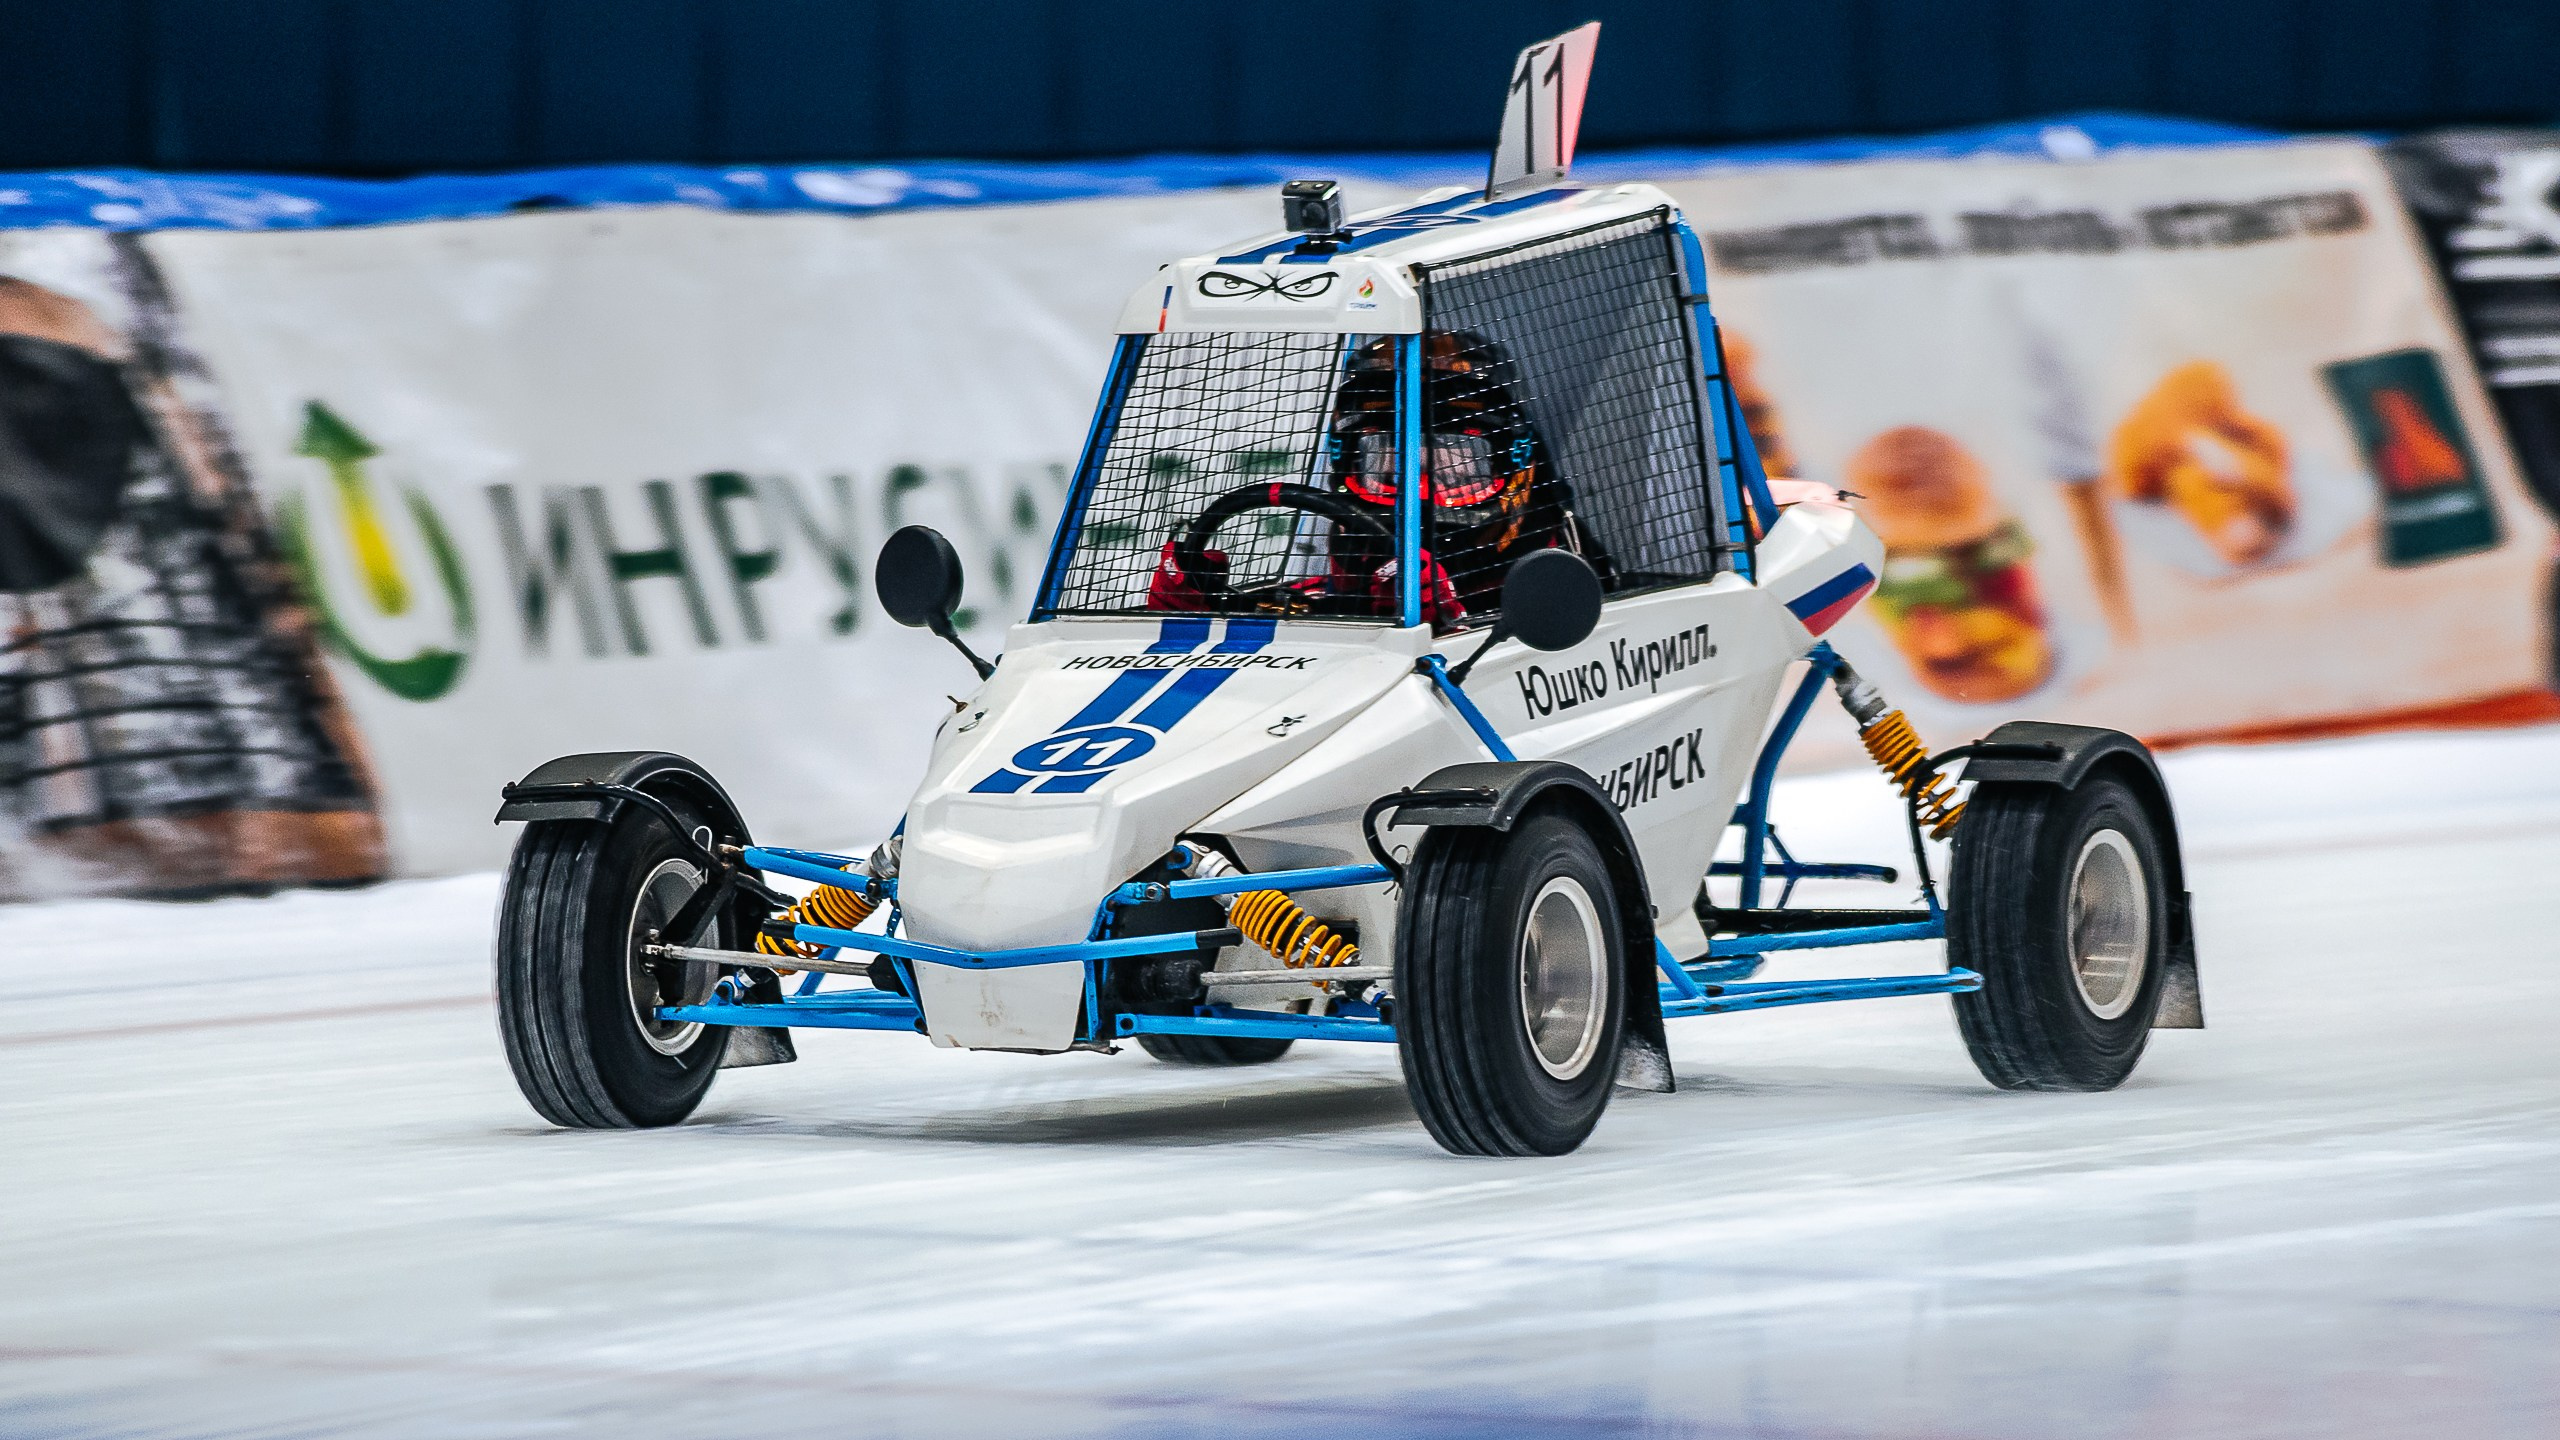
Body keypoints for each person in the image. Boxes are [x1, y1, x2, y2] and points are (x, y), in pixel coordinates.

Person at [1147, 329, 1608, 626]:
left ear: (1513, 463)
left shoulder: (1576, 599)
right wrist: (1189, 619)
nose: (1418, 480)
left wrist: (1448, 630)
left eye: (1452, 452)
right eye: (1388, 452)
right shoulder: (1319, 596)